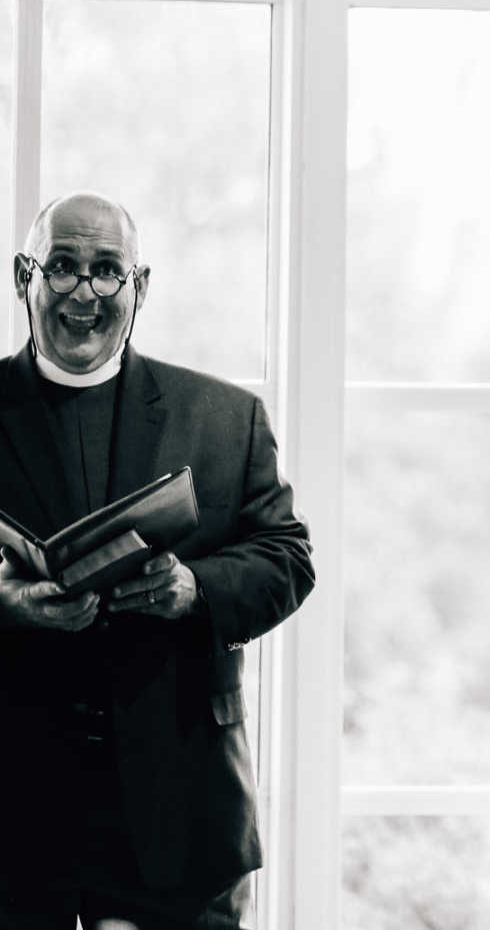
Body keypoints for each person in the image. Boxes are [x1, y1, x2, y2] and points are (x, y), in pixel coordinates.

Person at [0, 192, 315, 929]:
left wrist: (192, 588)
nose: (84, 292)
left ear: (140, 286)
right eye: (63, 267)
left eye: (107, 270)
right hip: (13, 810)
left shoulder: (224, 417)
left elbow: (288, 558)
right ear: (24, 278)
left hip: (180, 809)